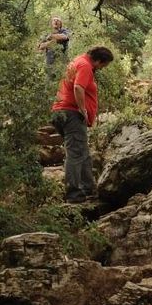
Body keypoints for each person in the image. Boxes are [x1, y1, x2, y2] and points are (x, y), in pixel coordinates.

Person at [51, 46, 114, 203]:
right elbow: (78, 87)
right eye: (103, 66)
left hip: (61, 111)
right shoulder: (85, 66)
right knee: (76, 154)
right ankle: (73, 194)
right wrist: (83, 109)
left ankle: (88, 188)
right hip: (71, 114)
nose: (101, 69)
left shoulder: (76, 62)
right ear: (99, 60)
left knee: (82, 152)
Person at [36, 16, 71, 83]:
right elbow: (39, 47)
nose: (55, 21)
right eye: (54, 20)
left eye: (57, 20)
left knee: (63, 81)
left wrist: (51, 37)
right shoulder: (46, 33)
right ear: (51, 23)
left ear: (60, 24)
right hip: (50, 62)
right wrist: (52, 42)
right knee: (50, 81)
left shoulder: (64, 30)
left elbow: (64, 37)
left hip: (62, 61)